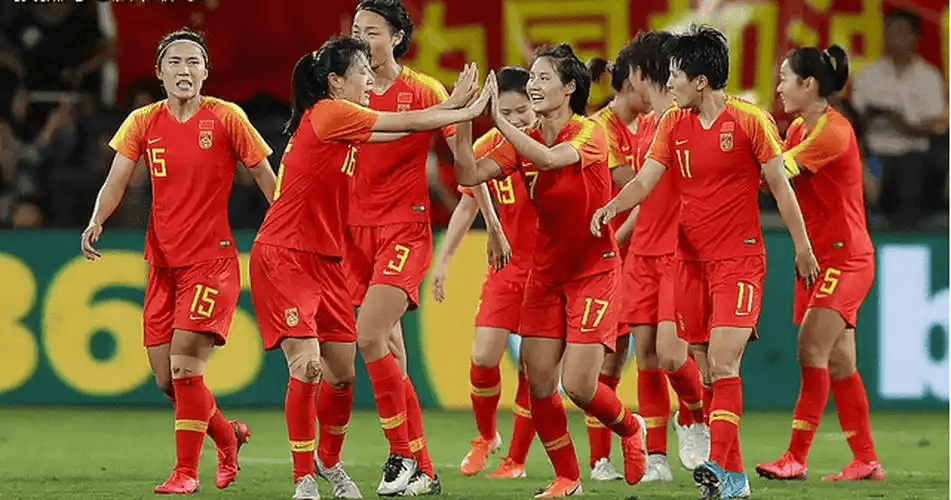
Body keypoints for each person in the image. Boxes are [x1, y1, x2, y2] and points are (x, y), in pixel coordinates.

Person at [249, 37, 488, 500]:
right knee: (308, 366)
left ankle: (329, 462)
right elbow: (407, 120)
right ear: (336, 82)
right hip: (284, 256)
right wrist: (462, 108)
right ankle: (303, 480)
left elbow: (401, 131)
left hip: (327, 260)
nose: (369, 81)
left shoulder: (344, 121)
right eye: (361, 72)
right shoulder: (331, 113)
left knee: (342, 375)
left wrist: (454, 109)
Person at [590, 25, 820, 500]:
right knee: (708, 371)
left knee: (723, 361)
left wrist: (802, 247)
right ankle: (733, 477)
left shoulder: (751, 121)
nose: (669, 82)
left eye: (676, 73)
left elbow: (780, 187)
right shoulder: (673, 124)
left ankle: (716, 461)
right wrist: (611, 208)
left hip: (739, 261)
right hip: (689, 264)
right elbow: (645, 180)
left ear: (700, 80)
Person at [80, 27, 275, 494]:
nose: (184, 70)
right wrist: (96, 219)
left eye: (193, 62)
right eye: (175, 62)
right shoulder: (142, 121)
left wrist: (288, 231)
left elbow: (267, 178)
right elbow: (116, 180)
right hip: (162, 265)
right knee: (168, 380)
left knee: (188, 368)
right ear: (159, 72)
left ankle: (186, 472)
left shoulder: (227, 117)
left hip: (212, 263)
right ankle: (227, 437)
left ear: (206, 71)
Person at [454, 43, 648, 499]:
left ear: (570, 87)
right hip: (544, 276)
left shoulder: (590, 133)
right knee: (539, 382)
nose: (535, 85)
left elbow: (548, 160)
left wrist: (498, 120)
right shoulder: (519, 139)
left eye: (544, 78)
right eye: (532, 78)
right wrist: (463, 117)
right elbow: (468, 172)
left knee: (578, 385)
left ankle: (630, 426)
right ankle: (567, 477)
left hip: (593, 271)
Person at [347, 0, 504, 494]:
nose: (361, 39)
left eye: (371, 31)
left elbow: (466, 164)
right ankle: (424, 469)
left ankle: (400, 456)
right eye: (355, 30)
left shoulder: (423, 91)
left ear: (396, 37)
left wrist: (493, 224)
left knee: (370, 335)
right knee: (389, 350)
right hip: (351, 233)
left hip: (402, 230)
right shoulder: (345, 90)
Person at [755, 45, 883, 483]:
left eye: (784, 78)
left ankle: (795, 457)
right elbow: (772, 183)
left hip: (845, 259)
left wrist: (748, 135)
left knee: (810, 348)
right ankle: (865, 460)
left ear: (808, 84)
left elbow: (775, 174)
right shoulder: (797, 130)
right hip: (819, 258)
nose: (778, 88)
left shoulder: (833, 132)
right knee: (840, 362)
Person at [591, 31, 710, 483]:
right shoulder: (646, 127)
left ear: (641, 74)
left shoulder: (681, 121)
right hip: (641, 252)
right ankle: (657, 456)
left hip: (676, 253)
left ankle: (694, 413)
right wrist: (618, 237)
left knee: (672, 355)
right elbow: (645, 196)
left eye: (630, 76)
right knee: (646, 356)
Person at [429, 66, 538, 479]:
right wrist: (443, 260)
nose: (516, 120)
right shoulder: (489, 147)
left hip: (547, 271)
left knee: (534, 367)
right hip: (506, 267)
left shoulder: (552, 144)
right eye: (506, 113)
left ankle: (517, 460)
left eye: (522, 111)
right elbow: (467, 205)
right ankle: (487, 436)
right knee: (483, 356)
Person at [849, 8, 947, 230]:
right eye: (890, 32)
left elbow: (938, 125)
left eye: (901, 32)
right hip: (874, 156)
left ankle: (905, 238)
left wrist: (903, 125)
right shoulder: (867, 75)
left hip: (916, 156)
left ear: (915, 37)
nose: (894, 38)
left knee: (911, 174)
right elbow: (853, 124)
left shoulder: (930, 77)